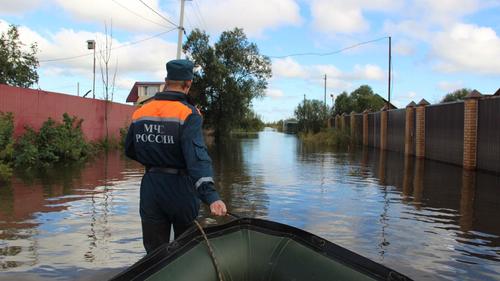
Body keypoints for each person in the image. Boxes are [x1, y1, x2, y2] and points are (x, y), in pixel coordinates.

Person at [124, 59, 227, 254]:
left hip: (151, 187)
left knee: (154, 254)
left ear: (166, 80)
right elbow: (197, 158)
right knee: (185, 252)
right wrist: (211, 196)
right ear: (188, 84)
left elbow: (129, 149)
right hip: (181, 189)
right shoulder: (188, 114)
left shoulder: (141, 112)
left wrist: (155, 159)